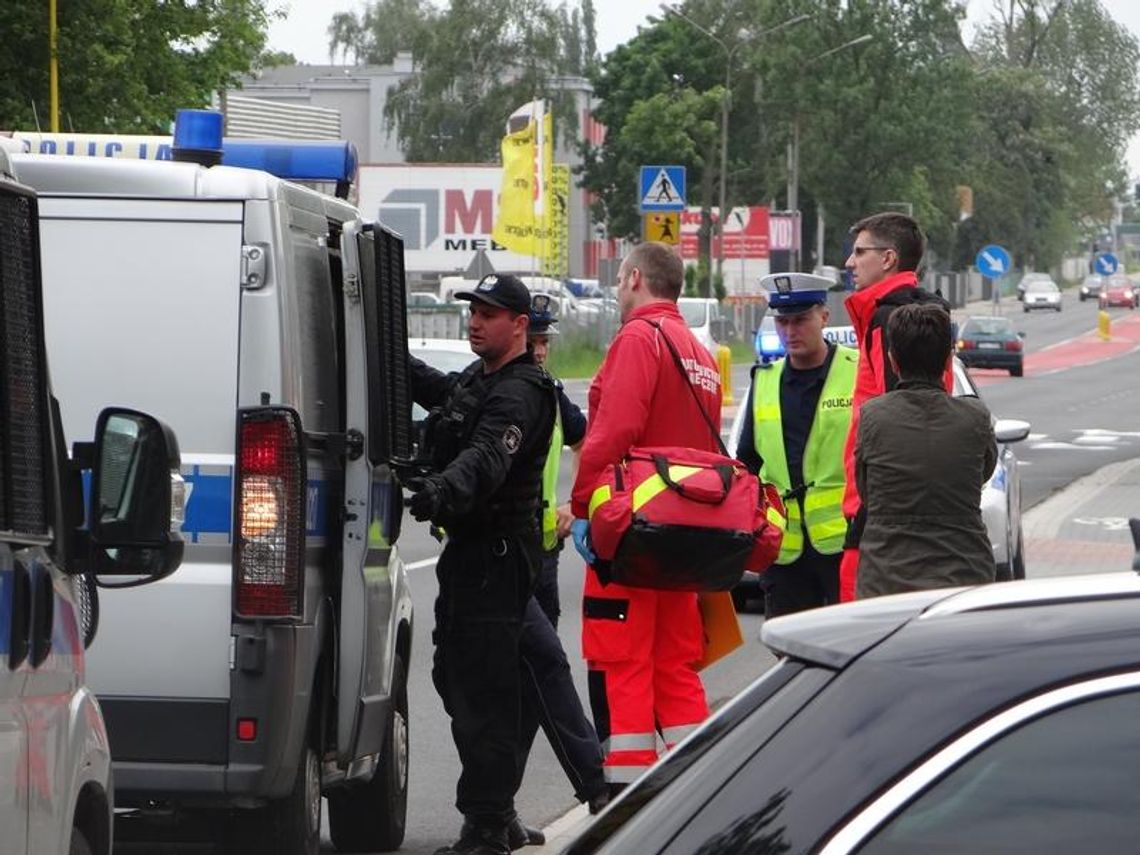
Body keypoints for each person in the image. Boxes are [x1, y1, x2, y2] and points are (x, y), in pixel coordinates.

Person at [406, 273, 555, 855]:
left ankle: (488, 825)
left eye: (489, 314)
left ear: (519, 326)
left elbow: (488, 455)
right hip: (472, 555)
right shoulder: (482, 377)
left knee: (482, 690)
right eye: (472, 310)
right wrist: (396, 361)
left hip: (498, 558)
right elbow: (448, 397)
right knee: (459, 677)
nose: (474, 321)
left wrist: (441, 489)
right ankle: (500, 808)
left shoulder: (520, 392)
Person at [570, 241, 719, 791]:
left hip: (632, 532)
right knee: (675, 668)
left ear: (634, 278)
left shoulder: (640, 337)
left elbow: (614, 431)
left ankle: (625, 801)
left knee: (623, 662)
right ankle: (695, 791)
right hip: (686, 536)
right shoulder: (698, 351)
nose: (616, 290)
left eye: (618, 280)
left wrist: (584, 506)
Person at [514, 294, 609, 820]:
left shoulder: (549, 395)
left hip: (542, 555)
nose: (542, 352)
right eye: (535, 343)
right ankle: (593, 782)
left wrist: (574, 503)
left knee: (534, 683)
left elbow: (585, 440)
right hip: (501, 559)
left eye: (546, 343)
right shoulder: (492, 394)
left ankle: (496, 812)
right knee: (539, 670)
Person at [840, 212, 951, 602]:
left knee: (858, 625)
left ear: (887, 259)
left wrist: (875, 510)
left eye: (859, 252)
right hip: (900, 505)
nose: (849, 262)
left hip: (881, 510)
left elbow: (900, 418)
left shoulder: (887, 320)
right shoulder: (916, 315)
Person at [735, 273, 857, 617]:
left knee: (847, 649)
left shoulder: (857, 370)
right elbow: (746, 464)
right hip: (784, 551)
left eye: (800, 320)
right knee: (788, 653)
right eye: (783, 322)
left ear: (823, 317)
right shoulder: (765, 380)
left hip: (843, 545)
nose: (790, 331)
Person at [854, 303, 997, 597]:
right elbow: (983, 472)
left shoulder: (873, 416)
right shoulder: (975, 417)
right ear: (948, 361)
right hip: (964, 577)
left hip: (885, 578)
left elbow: (865, 488)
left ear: (893, 361)